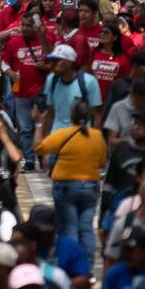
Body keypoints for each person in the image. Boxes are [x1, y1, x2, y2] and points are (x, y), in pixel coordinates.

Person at [31, 98, 105, 266]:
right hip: (90, 186)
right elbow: (102, 161)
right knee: (86, 228)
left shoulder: (63, 133)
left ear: (71, 115)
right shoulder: (97, 136)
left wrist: (39, 125)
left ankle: (70, 265)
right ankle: (88, 266)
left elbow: (38, 148)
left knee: (69, 228)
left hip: (66, 186)